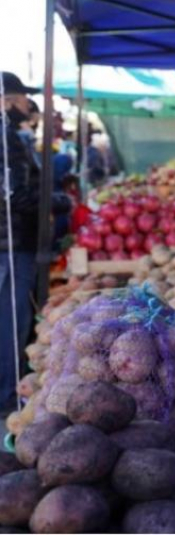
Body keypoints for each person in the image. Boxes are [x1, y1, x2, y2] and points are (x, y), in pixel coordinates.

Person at [0, 72, 69, 411]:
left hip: (8, 241)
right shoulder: (5, 136)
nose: (28, 105)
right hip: (10, 244)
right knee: (11, 321)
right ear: (7, 100)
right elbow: (14, 195)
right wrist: (57, 201)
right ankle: (6, 397)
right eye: (23, 98)